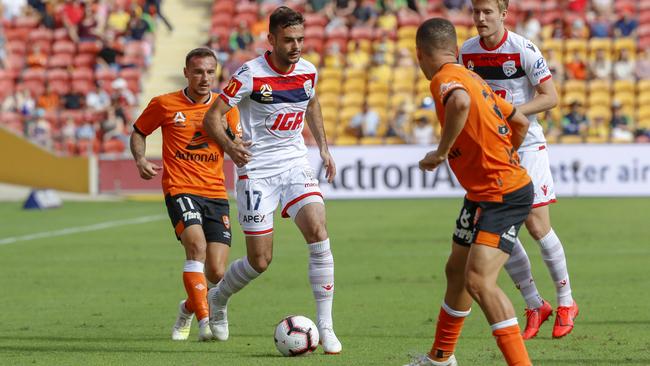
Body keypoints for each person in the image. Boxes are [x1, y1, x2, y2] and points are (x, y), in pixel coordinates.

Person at [202, 6, 342, 354]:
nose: (296, 46)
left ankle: (326, 326)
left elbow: (311, 104)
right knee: (259, 261)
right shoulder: (250, 74)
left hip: (295, 164)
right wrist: (231, 147)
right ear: (271, 39)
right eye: (288, 40)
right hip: (257, 173)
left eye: (300, 39)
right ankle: (217, 298)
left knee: (318, 229)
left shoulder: (308, 71)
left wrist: (323, 148)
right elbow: (212, 118)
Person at [406, 17, 534, 366]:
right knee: (456, 270)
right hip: (483, 192)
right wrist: (504, 153)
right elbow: (519, 121)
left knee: (479, 281)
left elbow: (459, 104)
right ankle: (441, 358)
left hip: (501, 194)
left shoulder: (445, 79)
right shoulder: (472, 76)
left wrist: (441, 152)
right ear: (456, 49)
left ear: (420, 54)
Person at [459, 0, 578, 340]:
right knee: (493, 228)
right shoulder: (467, 53)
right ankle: (534, 304)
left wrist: (510, 112)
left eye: (487, 13)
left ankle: (566, 302)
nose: (480, 19)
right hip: (492, 149)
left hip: (526, 146)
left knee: (537, 225)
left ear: (503, 14)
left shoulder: (523, 49)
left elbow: (550, 96)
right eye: (476, 12)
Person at [129, 48, 240, 342]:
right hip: (180, 189)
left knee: (216, 271)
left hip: (216, 193)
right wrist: (140, 160)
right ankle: (205, 322)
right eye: (198, 71)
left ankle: (188, 308)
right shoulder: (165, 104)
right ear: (186, 73)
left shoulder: (226, 107)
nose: (205, 78)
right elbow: (139, 131)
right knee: (196, 248)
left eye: (210, 71)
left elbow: (236, 142)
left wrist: (243, 146)